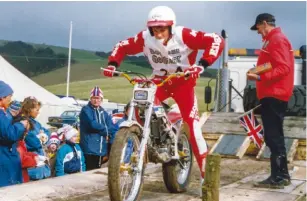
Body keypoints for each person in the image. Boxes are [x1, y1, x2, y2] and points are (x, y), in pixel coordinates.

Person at [103, 6, 224, 180]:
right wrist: (113, 64)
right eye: (155, 30)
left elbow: (216, 40)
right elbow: (122, 45)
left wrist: (203, 64)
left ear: (171, 27)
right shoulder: (145, 37)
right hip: (159, 80)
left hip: (183, 82)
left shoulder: (184, 35)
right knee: (137, 106)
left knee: (193, 126)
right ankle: (148, 143)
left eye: (162, 29)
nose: (158, 34)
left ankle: (207, 177)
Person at [247, 13, 294, 189]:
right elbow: (272, 64)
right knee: (273, 135)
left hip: (274, 93)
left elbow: (283, 68)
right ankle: (280, 175)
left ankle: (280, 176)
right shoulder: (273, 40)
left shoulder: (276, 39)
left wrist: (259, 78)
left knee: (274, 136)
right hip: (272, 93)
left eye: (258, 28)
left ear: (264, 23)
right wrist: (256, 70)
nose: (258, 32)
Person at [79, 86, 117, 170]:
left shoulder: (104, 112)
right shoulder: (85, 110)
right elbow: (92, 124)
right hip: (89, 149)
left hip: (101, 150)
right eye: (94, 98)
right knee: (89, 172)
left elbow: (111, 128)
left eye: (98, 98)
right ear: (90, 99)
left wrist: (106, 131)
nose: (96, 100)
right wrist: (105, 130)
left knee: (97, 171)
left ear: (101, 99)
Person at [0, 81, 28, 187]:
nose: (10, 100)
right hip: (4, 157)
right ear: (2, 97)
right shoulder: (0, 115)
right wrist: (21, 125)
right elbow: (9, 134)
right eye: (9, 96)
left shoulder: (3, 114)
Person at [13, 116, 38, 183]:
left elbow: (23, 154)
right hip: (18, 180)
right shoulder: (15, 143)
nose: (26, 133)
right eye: (25, 130)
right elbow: (20, 160)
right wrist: (34, 161)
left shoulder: (21, 142)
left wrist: (33, 155)